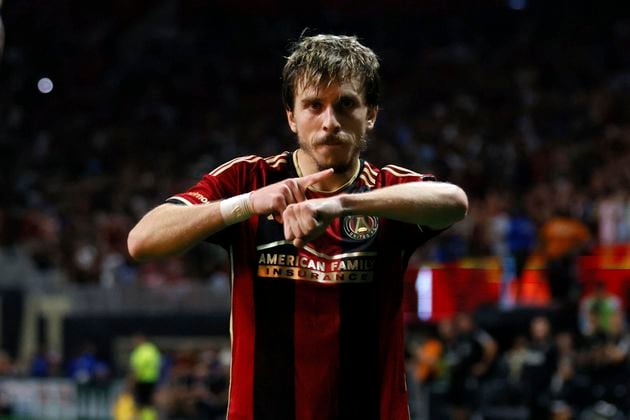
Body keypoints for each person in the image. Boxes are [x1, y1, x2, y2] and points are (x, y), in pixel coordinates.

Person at [128, 34, 468, 419]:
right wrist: (246, 205)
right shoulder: (249, 179)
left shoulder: (386, 190)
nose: (330, 122)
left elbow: (454, 202)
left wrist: (341, 203)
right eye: (313, 106)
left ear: (370, 113)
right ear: (291, 116)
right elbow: (142, 240)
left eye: (345, 105)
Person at [129, 334, 161, 420]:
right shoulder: (152, 349)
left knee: (140, 404)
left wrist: (132, 381)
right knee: (150, 404)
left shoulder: (139, 351)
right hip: (152, 379)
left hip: (141, 380)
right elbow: (157, 364)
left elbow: (137, 368)